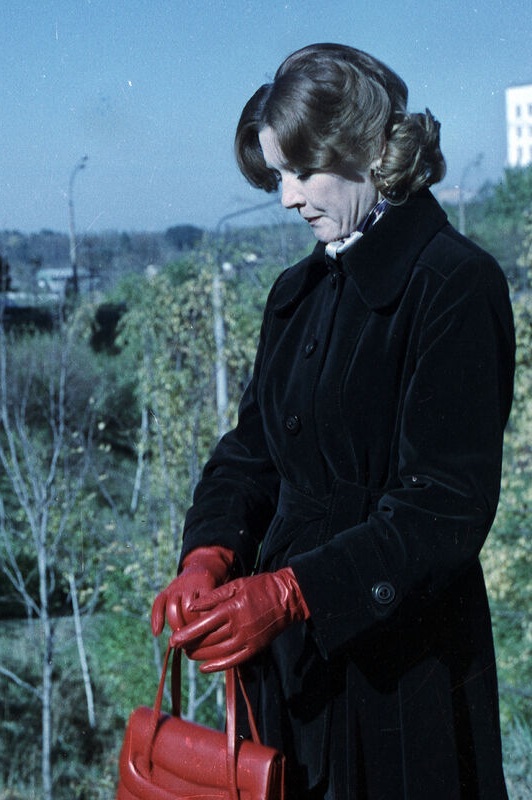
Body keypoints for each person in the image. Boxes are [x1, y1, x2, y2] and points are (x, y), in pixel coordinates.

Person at [150, 43, 512, 799]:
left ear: (372, 150)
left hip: (403, 678)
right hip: (292, 675)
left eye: (300, 172)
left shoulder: (455, 283)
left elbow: (446, 507)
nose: (286, 198)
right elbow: (252, 453)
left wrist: (294, 593)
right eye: (277, 175)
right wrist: (208, 553)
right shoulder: (297, 291)